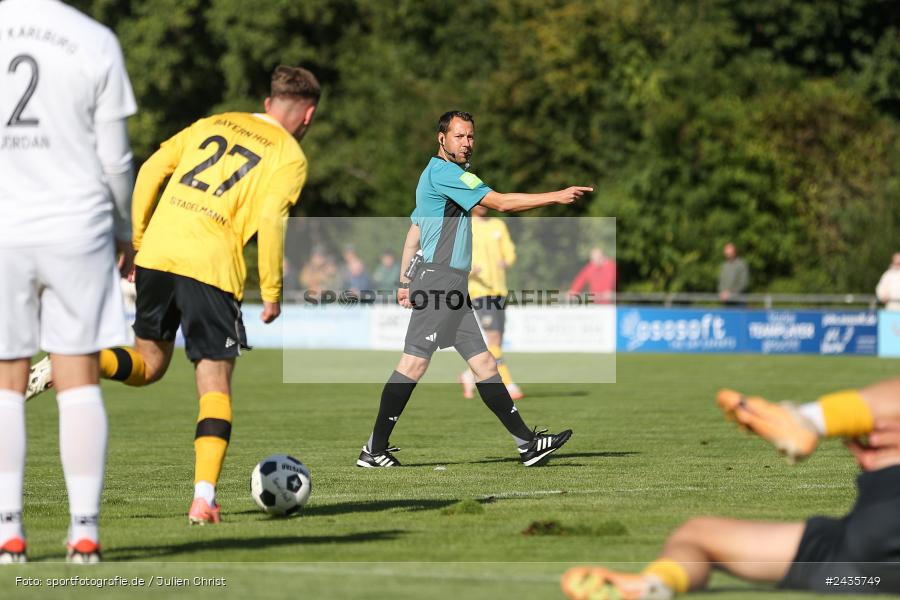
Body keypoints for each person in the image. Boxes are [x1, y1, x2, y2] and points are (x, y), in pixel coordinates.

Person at [27, 65, 320, 525]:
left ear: (267, 104)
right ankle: (204, 498)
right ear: (308, 115)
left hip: (160, 252)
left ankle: (72, 359)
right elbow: (270, 217)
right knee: (214, 386)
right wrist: (272, 290)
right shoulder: (290, 155)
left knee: (148, 365)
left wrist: (139, 239)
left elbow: (149, 170)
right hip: (210, 264)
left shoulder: (213, 123)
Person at [357, 110, 592, 469]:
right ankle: (374, 449)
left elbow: (414, 231)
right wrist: (555, 196)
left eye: (470, 137)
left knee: (483, 363)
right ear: (442, 140)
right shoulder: (446, 173)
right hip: (440, 282)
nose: (467, 143)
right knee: (413, 364)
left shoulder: (432, 175)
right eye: (459, 136)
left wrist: (404, 281)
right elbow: (499, 202)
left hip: (449, 283)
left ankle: (527, 444)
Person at [0, 0, 137, 563]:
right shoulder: (94, 38)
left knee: (7, 380)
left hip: (6, 225)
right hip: (77, 225)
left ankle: (8, 531)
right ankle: (84, 532)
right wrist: (126, 228)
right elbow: (115, 159)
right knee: (78, 377)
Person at [561, 380, 900, 598]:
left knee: (697, 536)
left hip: (861, 567)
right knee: (697, 533)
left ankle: (654, 585)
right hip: (872, 545)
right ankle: (806, 420)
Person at [459, 204, 523, 400]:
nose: (482, 205)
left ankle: (469, 375)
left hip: (499, 290)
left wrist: (506, 260)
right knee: (494, 339)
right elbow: (458, 254)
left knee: (497, 342)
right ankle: (508, 383)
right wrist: (469, 268)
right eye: (478, 201)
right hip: (479, 291)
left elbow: (510, 252)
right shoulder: (465, 226)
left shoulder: (498, 225)